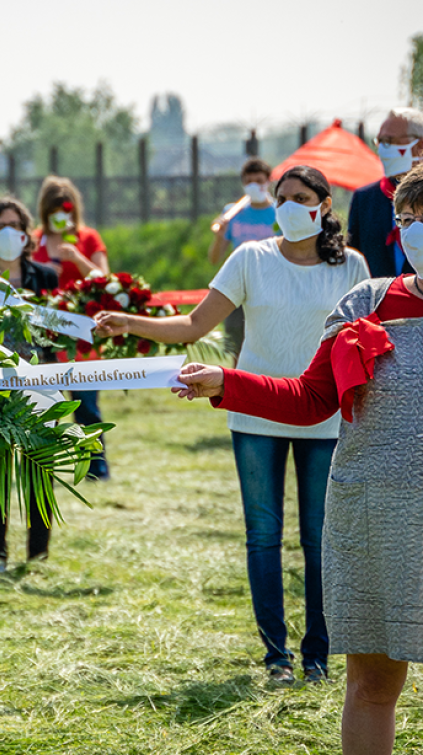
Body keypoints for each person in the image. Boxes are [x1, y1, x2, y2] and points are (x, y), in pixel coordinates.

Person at [174, 164, 423, 755]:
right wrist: (225, 383)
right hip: (372, 520)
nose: (414, 231)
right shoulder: (367, 302)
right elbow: (311, 399)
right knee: (371, 685)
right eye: (406, 219)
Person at [96, 166, 369, 683]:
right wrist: (130, 321)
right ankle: (277, 659)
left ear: (325, 206)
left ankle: (317, 656)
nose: (288, 205)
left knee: (320, 538)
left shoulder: (352, 267)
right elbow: (194, 325)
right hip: (255, 412)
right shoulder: (250, 258)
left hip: (325, 418)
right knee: (263, 536)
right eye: (281, 196)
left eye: (301, 197)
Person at [0, 196, 58, 574]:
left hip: (40, 383)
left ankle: (37, 555)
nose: (9, 234)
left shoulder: (45, 277)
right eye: (0, 227)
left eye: (16, 226)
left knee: (40, 471)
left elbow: (57, 332)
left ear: (27, 233)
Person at [32, 175, 110, 480]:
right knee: (44, 401)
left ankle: (95, 467)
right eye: (53, 210)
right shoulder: (33, 240)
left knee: (86, 404)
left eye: (65, 209)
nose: (59, 216)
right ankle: (44, 464)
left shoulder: (89, 238)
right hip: (42, 332)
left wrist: (78, 259)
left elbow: (105, 280)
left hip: (81, 334)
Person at [207, 157, 277, 357]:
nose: (254, 186)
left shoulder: (279, 212)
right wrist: (220, 236)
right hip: (240, 285)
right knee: (236, 339)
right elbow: (214, 258)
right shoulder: (232, 212)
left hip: (270, 285)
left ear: (268, 182)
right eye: (249, 182)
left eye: (259, 181)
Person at [347, 107, 423, 277]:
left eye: (390, 141)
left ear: (420, 145)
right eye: (380, 141)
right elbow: (353, 258)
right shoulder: (365, 198)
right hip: (379, 300)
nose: (383, 149)